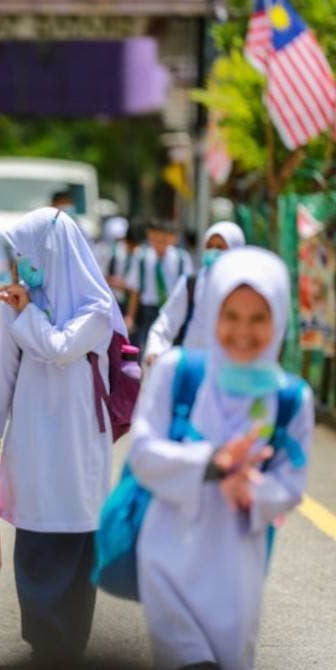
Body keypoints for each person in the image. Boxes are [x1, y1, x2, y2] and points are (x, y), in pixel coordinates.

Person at [129, 247, 314, 670]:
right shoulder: (177, 372)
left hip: (237, 574)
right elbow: (142, 452)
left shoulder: (290, 399)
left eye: (258, 318)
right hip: (167, 562)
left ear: (279, 320)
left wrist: (251, 488)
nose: (243, 331)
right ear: (212, 313)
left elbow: (291, 484)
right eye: (231, 315)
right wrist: (212, 464)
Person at [0, 206, 126, 664]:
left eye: (27, 254)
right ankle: (41, 639)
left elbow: (60, 349)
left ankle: (68, 642)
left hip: (78, 441)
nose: (22, 265)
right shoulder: (20, 302)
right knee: (36, 529)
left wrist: (28, 312)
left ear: (52, 251)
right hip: (34, 436)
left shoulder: (96, 308)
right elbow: (1, 369)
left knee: (75, 531)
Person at [144, 221, 246, 366]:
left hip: (229, 370)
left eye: (220, 247)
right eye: (209, 246)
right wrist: (155, 350)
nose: (213, 252)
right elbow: (167, 320)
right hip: (191, 368)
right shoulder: (192, 283)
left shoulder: (245, 290)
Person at [124, 220, 193, 352]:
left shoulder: (182, 258)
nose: (159, 243)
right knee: (147, 348)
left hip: (173, 308)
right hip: (148, 310)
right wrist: (130, 316)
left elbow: (187, 288)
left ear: (172, 239)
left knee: (172, 348)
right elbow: (135, 290)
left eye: (164, 239)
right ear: (149, 236)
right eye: (155, 238)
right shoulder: (141, 257)